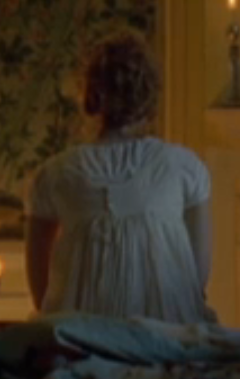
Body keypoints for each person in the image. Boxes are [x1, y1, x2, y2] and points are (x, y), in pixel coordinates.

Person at [25, 35, 217, 325]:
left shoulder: (54, 174)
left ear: (91, 96)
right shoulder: (185, 168)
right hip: (165, 338)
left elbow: (42, 295)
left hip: (79, 339)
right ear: (149, 96)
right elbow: (196, 278)